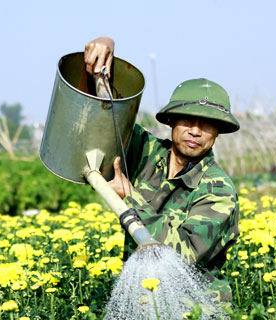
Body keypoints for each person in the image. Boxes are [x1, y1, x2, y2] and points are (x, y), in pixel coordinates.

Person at [84, 37, 240, 302]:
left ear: (218, 132)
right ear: (171, 122)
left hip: (197, 315)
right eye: (187, 119)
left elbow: (183, 254)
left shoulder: (219, 190)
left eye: (207, 124)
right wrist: (101, 68)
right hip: (143, 300)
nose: (195, 130)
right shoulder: (146, 153)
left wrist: (129, 197)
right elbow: (106, 123)